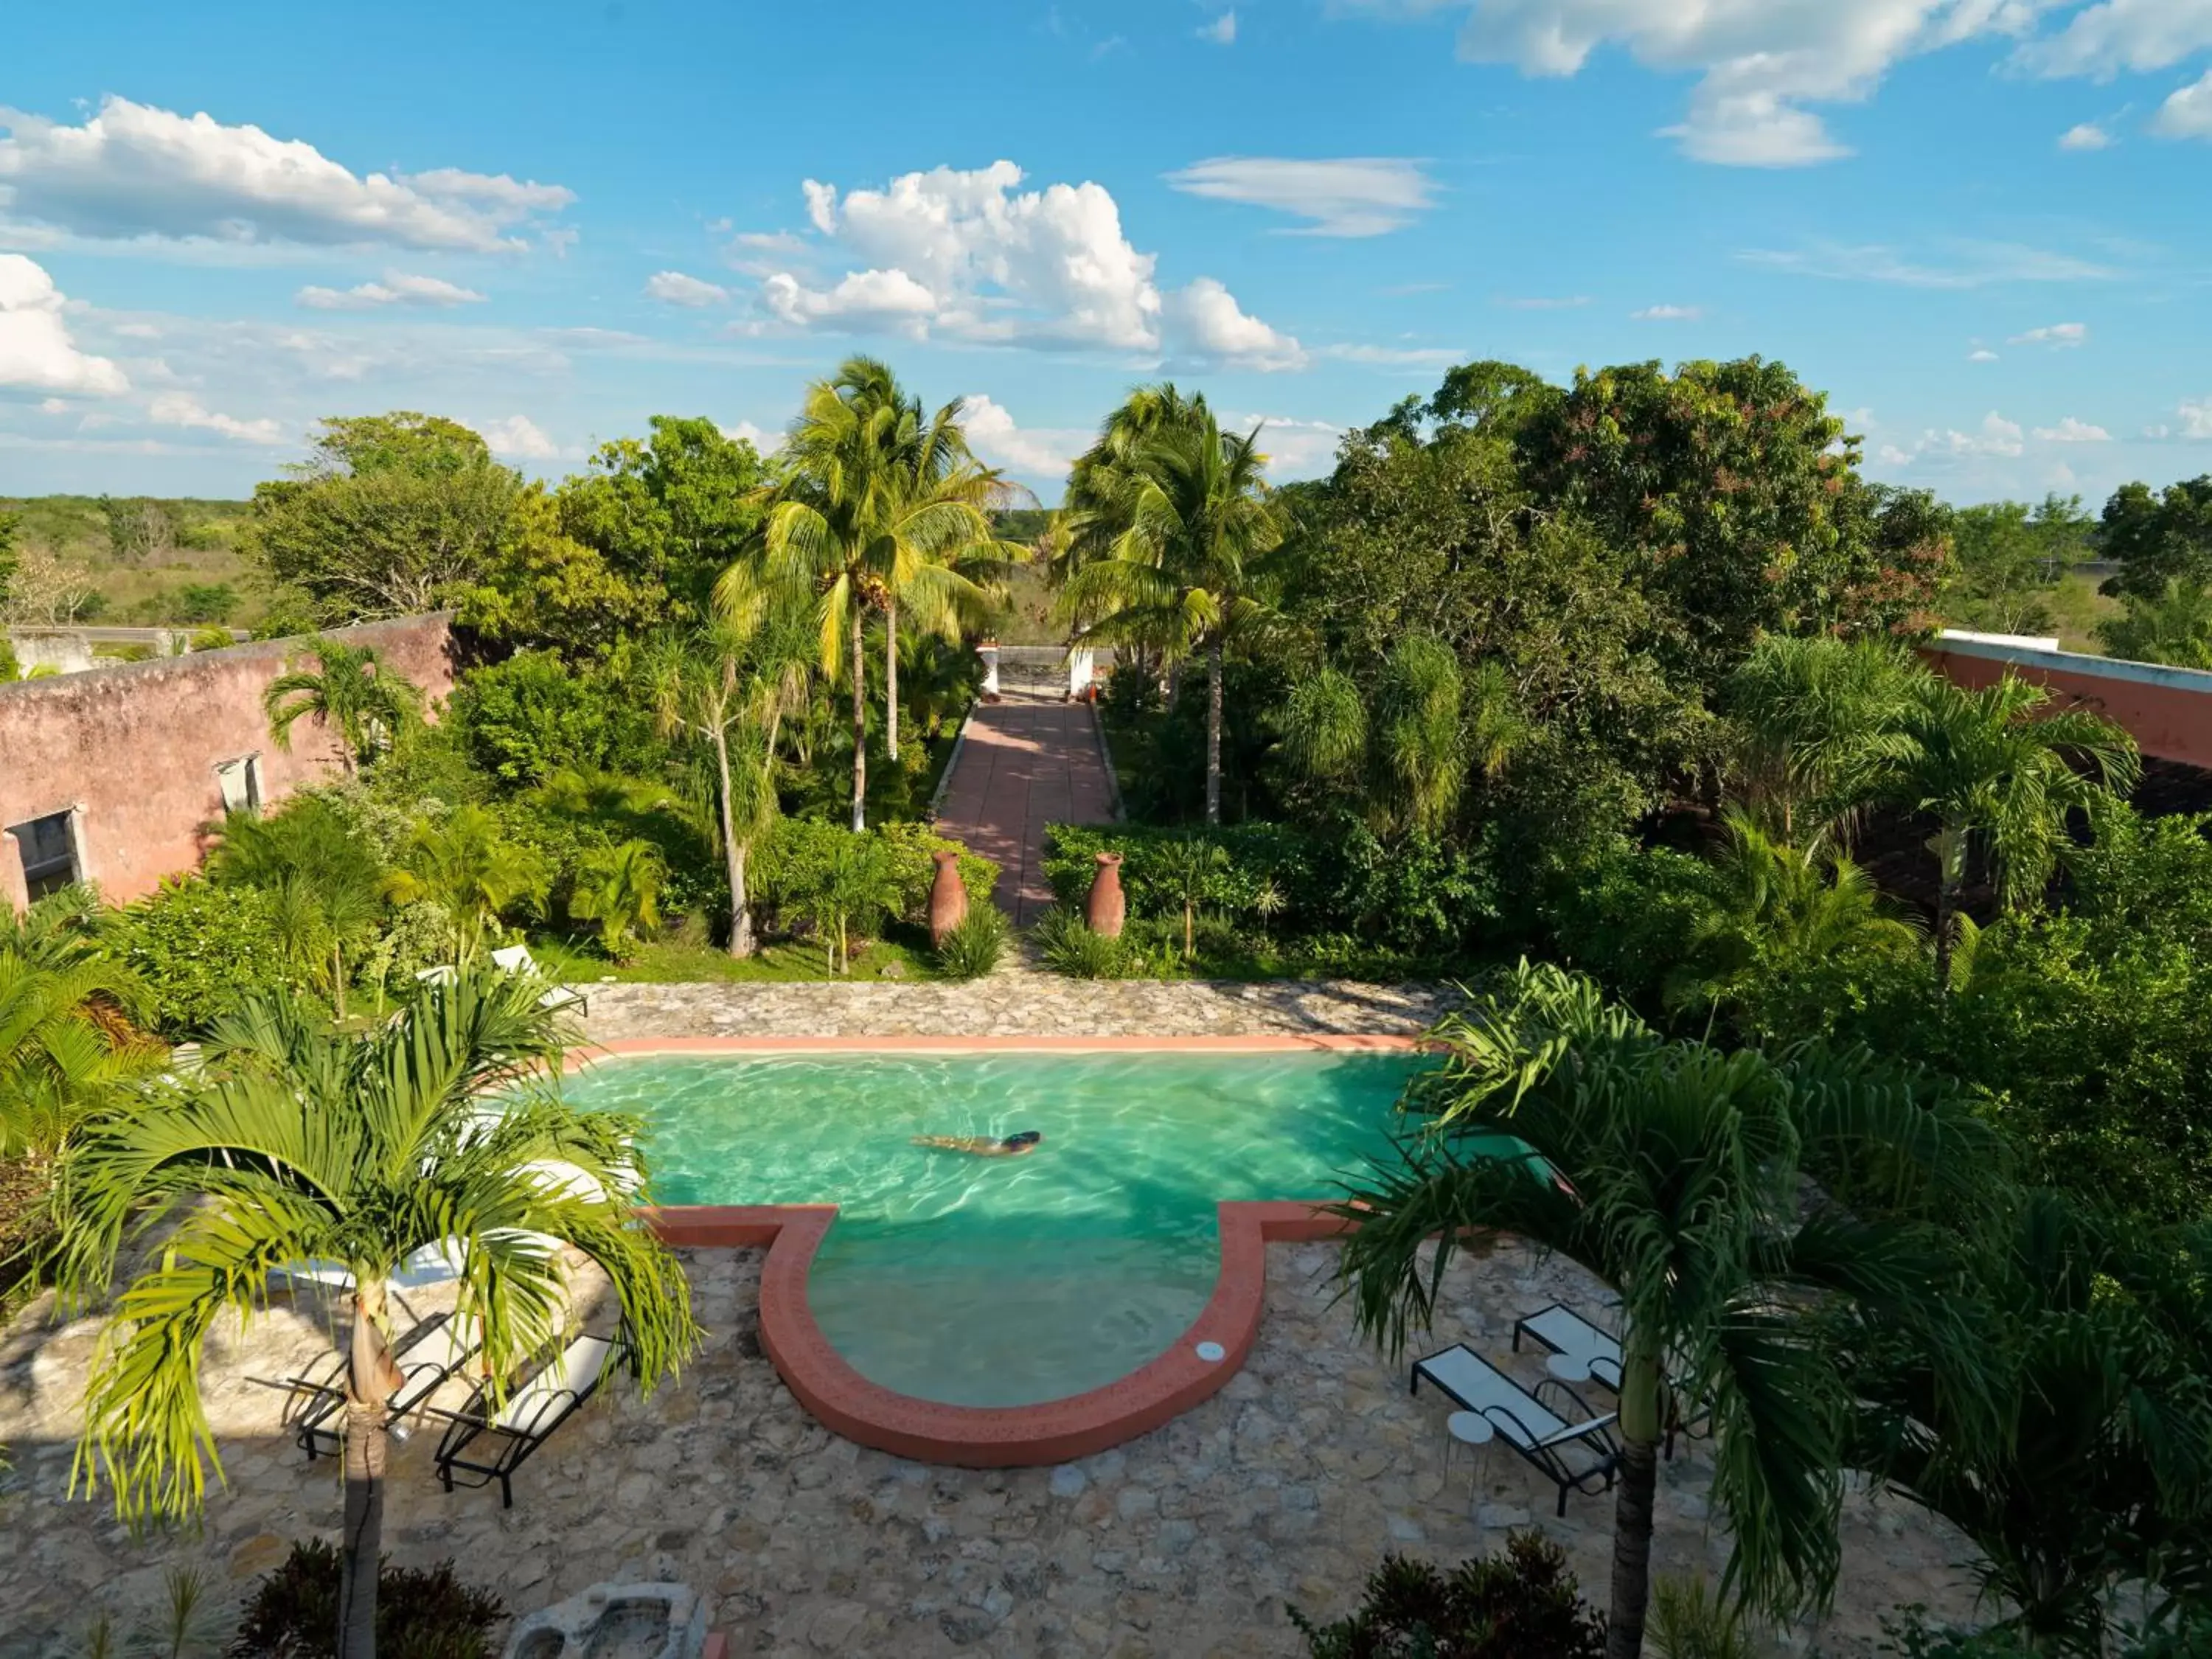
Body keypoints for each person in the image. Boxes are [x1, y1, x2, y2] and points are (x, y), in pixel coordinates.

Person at [911, 1130, 1044, 1158]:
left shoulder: (1017, 1140)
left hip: (992, 1140)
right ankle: (922, 1143)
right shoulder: (1024, 1149)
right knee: (955, 1146)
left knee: (954, 1139)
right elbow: (1017, 1152)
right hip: (990, 1149)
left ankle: (922, 1137)